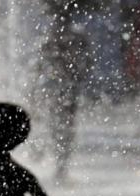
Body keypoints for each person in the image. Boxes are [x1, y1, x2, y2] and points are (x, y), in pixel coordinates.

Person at [38, 14, 89, 182]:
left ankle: (61, 163)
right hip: (62, 88)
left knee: (61, 124)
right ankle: (61, 163)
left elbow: (42, 65)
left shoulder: (55, 37)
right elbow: (85, 62)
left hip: (63, 88)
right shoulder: (71, 37)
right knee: (62, 125)